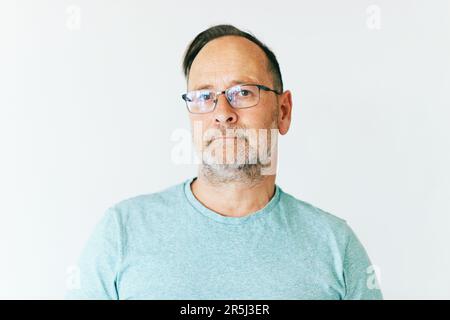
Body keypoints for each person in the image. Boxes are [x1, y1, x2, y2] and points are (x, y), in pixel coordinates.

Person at [66, 24, 382, 300]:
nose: (222, 112)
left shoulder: (335, 245)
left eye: (242, 92)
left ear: (283, 111)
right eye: (204, 97)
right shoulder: (122, 232)